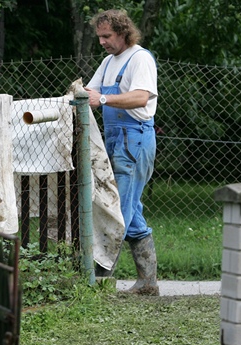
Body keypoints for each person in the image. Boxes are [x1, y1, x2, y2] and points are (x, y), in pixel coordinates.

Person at [84, 9, 159, 296]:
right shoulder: (108, 61)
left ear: (123, 33)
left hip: (135, 140)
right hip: (116, 139)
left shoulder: (140, 58)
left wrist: (102, 98)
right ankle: (148, 283)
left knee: (117, 211)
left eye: (107, 36)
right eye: (99, 36)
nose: (102, 42)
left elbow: (141, 96)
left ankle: (99, 282)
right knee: (131, 211)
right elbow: (88, 92)